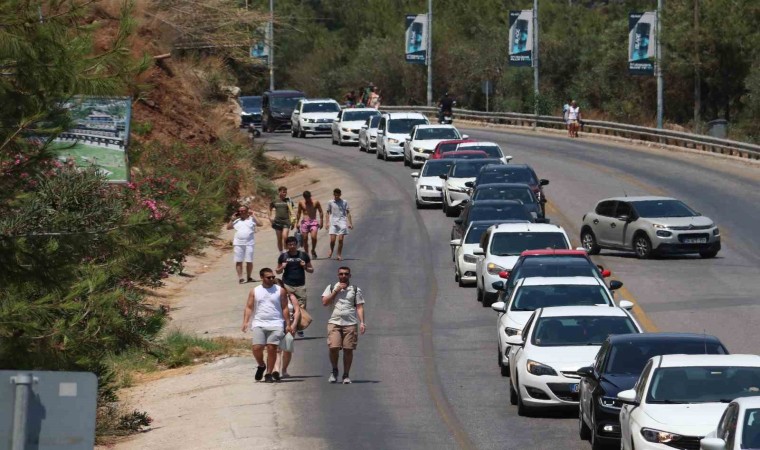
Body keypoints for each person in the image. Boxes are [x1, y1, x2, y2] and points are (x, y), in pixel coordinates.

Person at [241, 268, 292, 383]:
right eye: (268, 277)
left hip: (276, 323)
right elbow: (249, 307)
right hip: (259, 322)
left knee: (271, 348)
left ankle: (268, 373)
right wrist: (245, 322)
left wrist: (288, 323)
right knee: (257, 347)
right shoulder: (255, 291)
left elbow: (285, 308)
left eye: (273, 277)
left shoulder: (280, 290)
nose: (271, 279)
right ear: (262, 278)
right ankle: (261, 365)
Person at [321, 266, 365, 384]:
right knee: (333, 347)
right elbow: (325, 302)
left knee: (348, 350)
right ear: (338, 275)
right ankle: (334, 370)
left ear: (350, 276)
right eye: (341, 274)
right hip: (334, 322)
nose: (343, 276)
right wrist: (336, 290)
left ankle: (346, 375)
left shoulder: (355, 290)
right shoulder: (331, 287)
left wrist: (362, 323)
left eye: (346, 274)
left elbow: (359, 307)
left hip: (350, 323)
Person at [276, 236, 314, 335]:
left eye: (293, 244)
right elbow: (277, 271)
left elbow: (311, 270)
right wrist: (282, 267)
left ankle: (299, 326)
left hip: (300, 285)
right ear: (287, 245)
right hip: (287, 284)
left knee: (301, 306)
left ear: (296, 244)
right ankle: (289, 326)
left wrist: (304, 266)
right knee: (288, 306)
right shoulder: (283, 256)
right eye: (289, 244)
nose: (292, 246)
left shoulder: (303, 255)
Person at [226, 205, 263, 284]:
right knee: (238, 261)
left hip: (249, 243)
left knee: (249, 261)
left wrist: (253, 214)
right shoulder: (237, 220)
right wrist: (232, 219)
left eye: (244, 211)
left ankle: (249, 277)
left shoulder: (252, 219)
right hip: (238, 243)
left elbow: (260, 224)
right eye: (240, 211)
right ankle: (241, 278)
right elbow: (228, 227)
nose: (242, 212)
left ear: (247, 211)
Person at [274, 278, 300, 378]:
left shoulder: (290, 296)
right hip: (276, 324)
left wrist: (294, 325)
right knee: (277, 349)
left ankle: (284, 370)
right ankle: (276, 370)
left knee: (287, 349)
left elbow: (297, 311)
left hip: (290, 324)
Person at [325, 188, 353, 261]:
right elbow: (327, 212)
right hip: (333, 222)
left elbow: (348, 212)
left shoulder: (344, 202)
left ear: (340, 195)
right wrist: (327, 223)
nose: (336, 196)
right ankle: (331, 249)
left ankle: (339, 255)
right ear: (333, 195)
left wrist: (350, 223)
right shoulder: (330, 202)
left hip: (342, 222)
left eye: (338, 195)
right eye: (335, 195)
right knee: (332, 240)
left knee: (340, 240)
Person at [296, 190, 324, 259]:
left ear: (310, 196)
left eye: (308, 198)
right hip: (304, 222)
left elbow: (321, 211)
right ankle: (306, 254)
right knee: (305, 239)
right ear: (304, 197)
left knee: (314, 237)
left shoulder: (316, 202)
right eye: (306, 198)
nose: (307, 200)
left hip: (313, 222)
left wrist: (321, 221)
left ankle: (313, 250)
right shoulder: (301, 203)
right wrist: (297, 222)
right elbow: (299, 212)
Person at [269, 186, 295, 253]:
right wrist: (270, 217)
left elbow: (292, 211)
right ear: (279, 192)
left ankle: (286, 251)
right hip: (277, 222)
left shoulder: (288, 201)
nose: (285, 194)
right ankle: (281, 253)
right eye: (283, 192)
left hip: (286, 221)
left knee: (285, 236)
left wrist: (293, 222)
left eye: (285, 192)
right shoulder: (275, 201)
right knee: (279, 239)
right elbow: (270, 208)